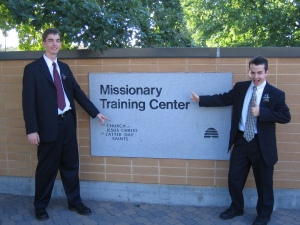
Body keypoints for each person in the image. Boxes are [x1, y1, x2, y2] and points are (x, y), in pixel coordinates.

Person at [191, 56, 291, 225]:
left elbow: (285, 116)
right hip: (242, 140)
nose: (256, 76)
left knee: (264, 182)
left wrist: (263, 113)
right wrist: (201, 99)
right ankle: (237, 208)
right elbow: (223, 99)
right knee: (234, 178)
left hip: (262, 144)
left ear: (267, 72)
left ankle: (264, 214)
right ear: (249, 71)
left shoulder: (276, 94)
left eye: (260, 73)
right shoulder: (241, 88)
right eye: (253, 72)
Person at [22, 28, 109, 221]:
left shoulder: (64, 68)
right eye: (51, 40)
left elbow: (77, 93)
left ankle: (75, 202)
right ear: (44, 43)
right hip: (47, 128)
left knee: (71, 165)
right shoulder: (32, 70)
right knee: (46, 169)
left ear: (61, 44)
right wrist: (32, 130)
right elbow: (28, 103)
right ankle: (40, 206)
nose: (55, 44)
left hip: (68, 123)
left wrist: (95, 113)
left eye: (58, 40)